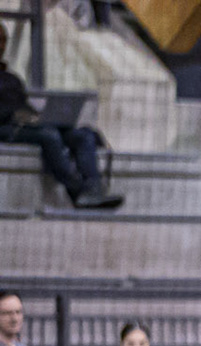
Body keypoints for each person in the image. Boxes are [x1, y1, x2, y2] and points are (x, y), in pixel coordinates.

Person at [0, 26, 122, 210]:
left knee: (84, 134)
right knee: (49, 135)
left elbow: (24, 107)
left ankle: (93, 189)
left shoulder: (12, 79)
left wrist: (42, 116)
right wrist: (14, 115)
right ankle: (78, 191)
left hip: (25, 125)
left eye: (3, 40)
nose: (1, 45)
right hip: (6, 127)